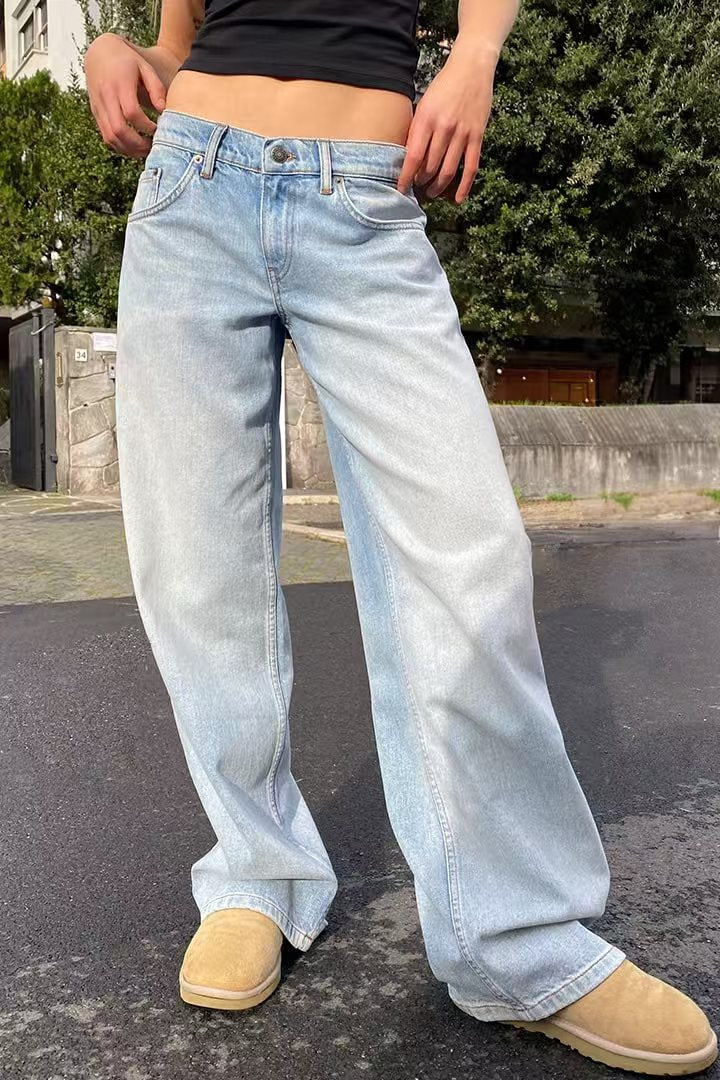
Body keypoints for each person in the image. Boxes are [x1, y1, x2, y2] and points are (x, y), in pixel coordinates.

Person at [83, 1, 717, 1074]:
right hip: (191, 193)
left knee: (468, 561)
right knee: (197, 570)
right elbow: (179, 43)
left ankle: (516, 937)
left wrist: (475, 56)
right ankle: (256, 874)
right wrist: (119, 53)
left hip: (363, 201)